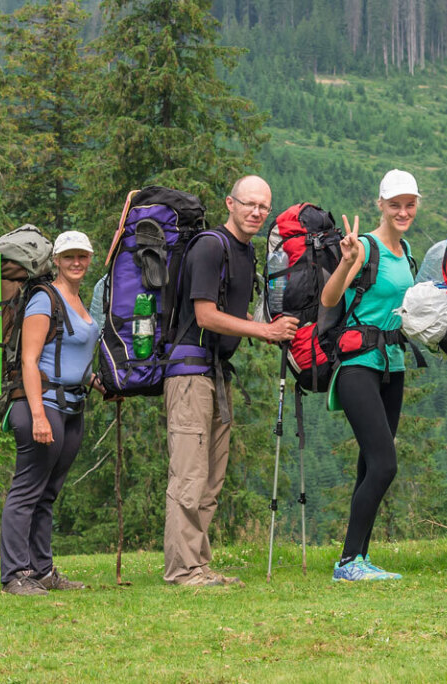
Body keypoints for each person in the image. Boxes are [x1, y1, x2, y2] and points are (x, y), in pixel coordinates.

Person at [163, 176, 299, 588]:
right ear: (230, 203)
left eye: (263, 206)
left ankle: (199, 565)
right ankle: (182, 570)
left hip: (215, 373)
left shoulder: (244, 252)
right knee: (188, 473)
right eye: (249, 204)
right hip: (189, 373)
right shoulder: (210, 246)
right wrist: (265, 333)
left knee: (210, 476)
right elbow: (204, 315)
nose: (256, 212)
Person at [321, 170, 423, 582]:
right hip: (358, 366)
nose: (403, 212)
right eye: (395, 204)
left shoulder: (407, 251)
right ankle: (348, 562)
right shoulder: (365, 247)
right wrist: (346, 261)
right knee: (384, 465)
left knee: (369, 465)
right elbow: (329, 300)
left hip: (392, 366)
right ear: (380, 204)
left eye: (410, 204)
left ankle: (358, 558)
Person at [0, 231, 99, 596]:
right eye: (69, 256)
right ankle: (14, 575)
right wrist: (39, 415)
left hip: (72, 405)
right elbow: (30, 359)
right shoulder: (45, 299)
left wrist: (92, 379)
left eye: (83, 256)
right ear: (55, 260)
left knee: (47, 493)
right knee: (26, 490)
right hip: (41, 405)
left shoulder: (76, 299)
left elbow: (70, 353)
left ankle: (41, 571)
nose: (77, 262)